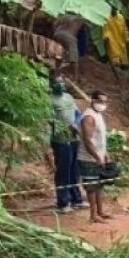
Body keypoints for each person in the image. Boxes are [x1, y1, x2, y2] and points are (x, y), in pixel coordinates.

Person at [47, 74, 85, 213]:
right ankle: (63, 202)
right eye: (57, 82)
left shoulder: (69, 97)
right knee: (63, 171)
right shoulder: (50, 101)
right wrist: (67, 126)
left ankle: (76, 199)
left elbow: (77, 113)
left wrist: (76, 124)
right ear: (51, 85)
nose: (61, 84)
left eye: (62, 82)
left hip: (74, 138)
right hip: (61, 140)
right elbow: (51, 121)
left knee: (75, 170)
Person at [78, 90, 113, 224]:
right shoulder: (89, 117)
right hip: (88, 158)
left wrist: (105, 154)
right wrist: (97, 157)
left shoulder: (98, 115)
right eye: (100, 101)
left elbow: (100, 139)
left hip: (98, 156)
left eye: (105, 102)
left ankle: (100, 211)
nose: (103, 104)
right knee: (91, 186)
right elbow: (87, 140)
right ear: (92, 100)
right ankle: (93, 215)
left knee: (99, 184)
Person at [53, 13, 84, 83]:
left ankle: (56, 74)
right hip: (69, 36)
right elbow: (79, 31)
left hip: (58, 34)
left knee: (59, 53)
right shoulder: (79, 19)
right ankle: (75, 78)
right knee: (74, 57)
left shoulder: (64, 16)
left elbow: (54, 25)